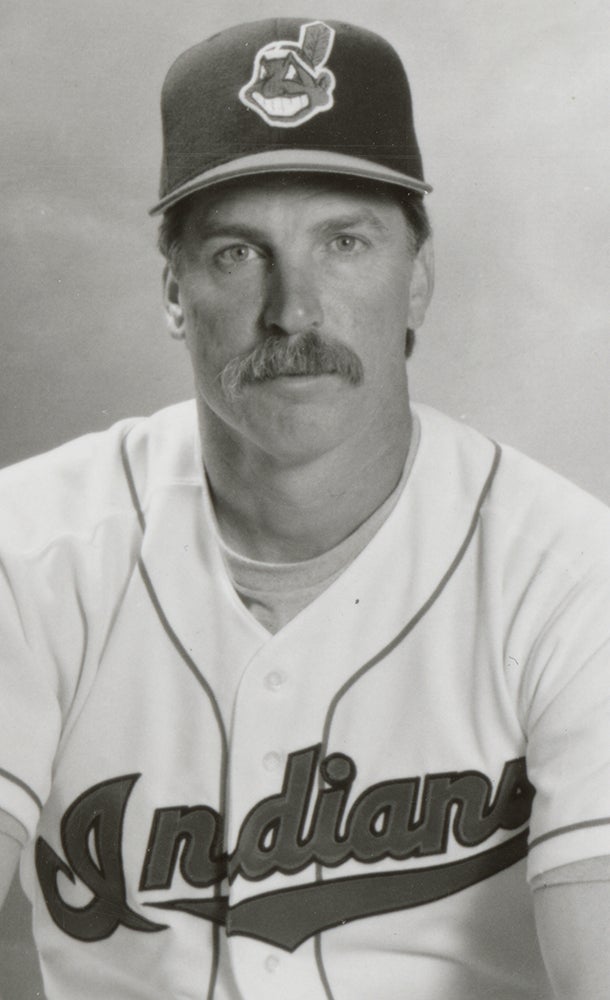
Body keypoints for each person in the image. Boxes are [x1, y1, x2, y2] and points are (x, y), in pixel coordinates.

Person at [0, 16, 609, 1000]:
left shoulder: (573, 576)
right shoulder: (29, 550)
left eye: (344, 242)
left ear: (417, 277)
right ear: (173, 292)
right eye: (238, 253)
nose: (293, 310)